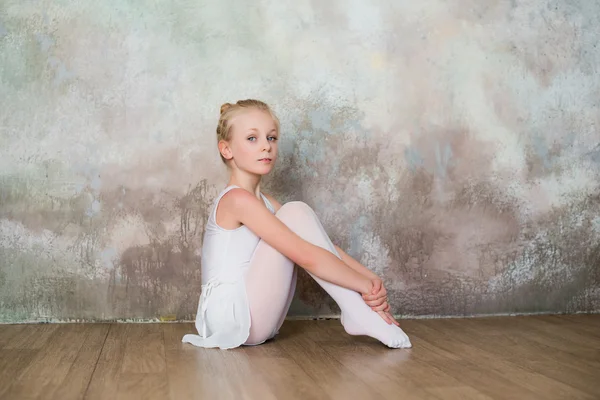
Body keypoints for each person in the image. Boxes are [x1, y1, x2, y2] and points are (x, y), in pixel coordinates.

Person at [182, 99, 412, 350]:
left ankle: (356, 311)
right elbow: (305, 255)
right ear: (227, 150)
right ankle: (356, 312)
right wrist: (362, 285)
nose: (266, 147)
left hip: (260, 318)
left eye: (271, 138)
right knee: (295, 212)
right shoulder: (236, 199)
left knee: (296, 215)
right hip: (232, 321)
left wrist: (372, 280)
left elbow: (321, 245)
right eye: (252, 139)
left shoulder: (265, 203)